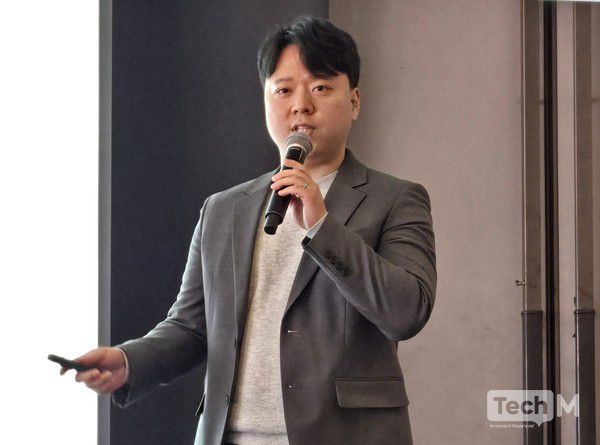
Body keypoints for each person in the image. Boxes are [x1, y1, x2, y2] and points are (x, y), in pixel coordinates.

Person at [61, 15, 436, 445]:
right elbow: (191, 327)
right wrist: (129, 362)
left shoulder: (396, 199)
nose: (301, 105)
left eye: (320, 87)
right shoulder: (224, 209)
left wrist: (322, 226)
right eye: (284, 90)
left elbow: (406, 312)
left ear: (353, 102)